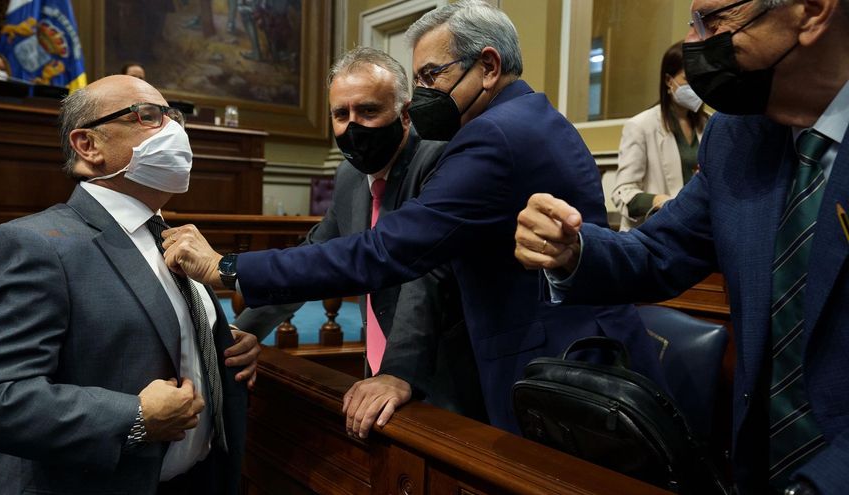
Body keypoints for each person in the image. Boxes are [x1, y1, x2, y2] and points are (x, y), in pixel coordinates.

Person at [162, 0, 666, 434]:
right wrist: (238, 331)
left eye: (431, 76)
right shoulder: (525, 118)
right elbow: (320, 248)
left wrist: (229, 268)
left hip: (558, 367)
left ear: (488, 66)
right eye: (341, 114)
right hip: (557, 356)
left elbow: (398, 253)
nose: (424, 93)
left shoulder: (488, 139)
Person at [514, 0, 849, 493]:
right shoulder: (737, 135)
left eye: (714, 21)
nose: (694, 45)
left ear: (812, 11)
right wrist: (574, 252)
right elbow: (658, 251)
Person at [0, 74, 260, 494]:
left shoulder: (172, 238)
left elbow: (142, 330)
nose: (174, 131)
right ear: (88, 145)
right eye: (148, 116)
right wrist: (135, 417)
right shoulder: (32, 244)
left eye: (174, 116)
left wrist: (217, 344)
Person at [232, 47, 487, 437]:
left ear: (404, 114)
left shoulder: (439, 159)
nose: (353, 126)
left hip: (440, 377)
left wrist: (397, 372)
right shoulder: (350, 177)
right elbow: (315, 256)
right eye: (341, 114)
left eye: (368, 111)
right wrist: (248, 329)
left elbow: (426, 276)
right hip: (377, 368)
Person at [611, 41, 710, 230]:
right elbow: (623, 193)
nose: (695, 87)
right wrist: (661, 201)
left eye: (700, 79)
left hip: (697, 229)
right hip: (656, 231)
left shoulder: (709, 124)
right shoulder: (641, 126)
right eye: (688, 79)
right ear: (668, 80)